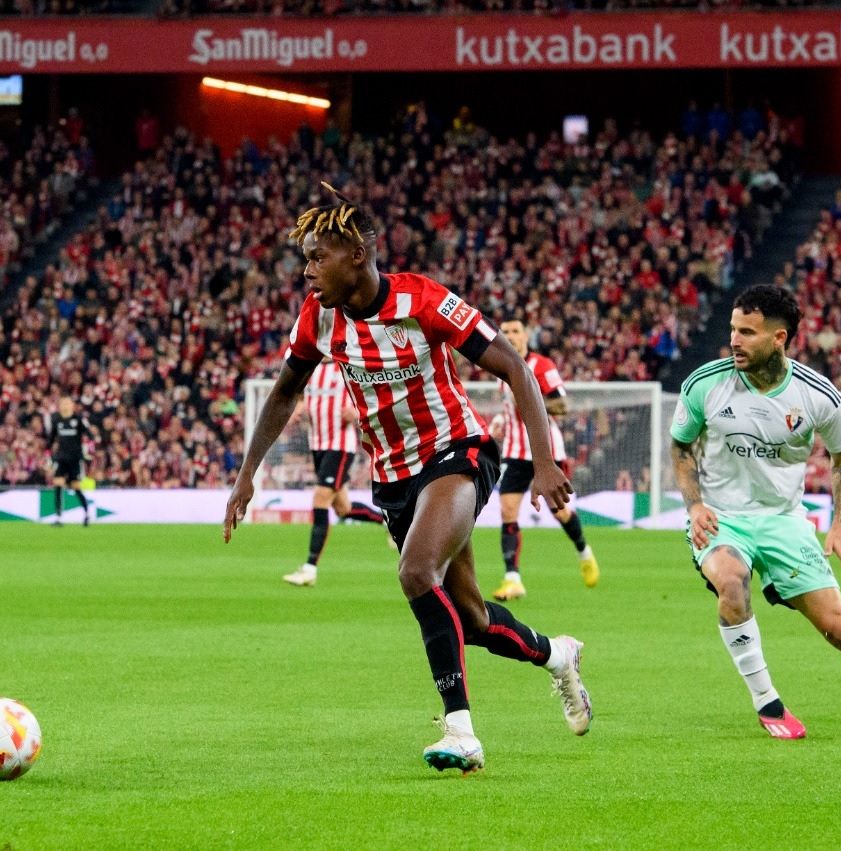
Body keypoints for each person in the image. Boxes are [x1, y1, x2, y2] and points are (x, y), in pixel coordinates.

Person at [225, 183, 592, 773]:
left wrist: (545, 462)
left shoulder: (424, 301)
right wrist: (247, 474)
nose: (308, 271)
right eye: (306, 259)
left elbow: (515, 367)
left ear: (358, 255)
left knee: (417, 572)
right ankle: (557, 656)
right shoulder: (319, 317)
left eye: (318, 257)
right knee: (472, 619)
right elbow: (286, 391)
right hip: (394, 479)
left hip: (457, 452)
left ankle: (461, 732)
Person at [671, 285, 841, 740]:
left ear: (779, 338)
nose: (734, 340)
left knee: (839, 629)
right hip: (722, 517)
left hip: (784, 521)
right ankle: (767, 702)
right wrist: (695, 505)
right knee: (731, 580)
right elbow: (680, 447)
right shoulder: (705, 384)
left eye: (747, 332)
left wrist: (840, 526)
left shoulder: (820, 397)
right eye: (733, 329)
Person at [488, 319, 597, 601]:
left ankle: (584, 551)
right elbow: (508, 409)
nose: (510, 336)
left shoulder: (541, 365)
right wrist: (500, 420)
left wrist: (530, 398)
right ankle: (513, 578)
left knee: (558, 510)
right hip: (515, 451)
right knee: (507, 510)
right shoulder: (499, 366)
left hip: (545, 451)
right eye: (505, 332)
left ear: (526, 336)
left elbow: (561, 405)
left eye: (515, 331)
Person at [283, 357, 390, 587]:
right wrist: (299, 409)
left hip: (340, 446)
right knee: (343, 508)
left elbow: (377, 394)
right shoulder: (311, 365)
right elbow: (302, 395)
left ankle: (310, 569)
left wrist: (357, 413)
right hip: (317, 444)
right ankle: (386, 521)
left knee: (320, 498)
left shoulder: (348, 362)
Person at [46, 397, 98, 526]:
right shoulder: (56, 419)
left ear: (72, 405)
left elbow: (90, 436)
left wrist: (89, 450)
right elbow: (51, 439)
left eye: (67, 403)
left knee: (76, 487)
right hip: (61, 458)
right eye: (62, 403)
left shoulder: (78, 419)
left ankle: (87, 513)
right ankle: (58, 517)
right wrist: (48, 456)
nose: (64, 405)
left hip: (75, 459)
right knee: (58, 484)